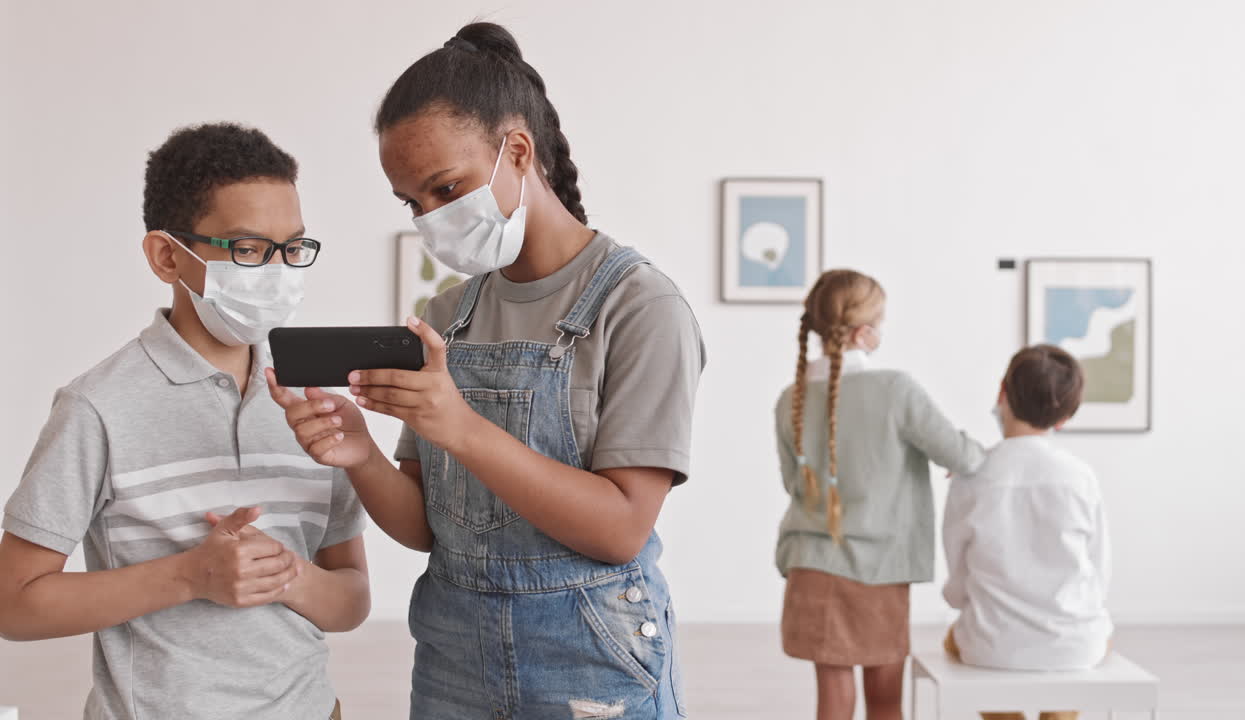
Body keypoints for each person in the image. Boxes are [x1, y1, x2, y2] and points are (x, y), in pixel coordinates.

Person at [268, 22, 704, 720]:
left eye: (446, 188)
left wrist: (461, 427)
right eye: (413, 202)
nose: (430, 219)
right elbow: (427, 528)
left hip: (592, 661)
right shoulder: (446, 315)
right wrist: (360, 454)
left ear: (518, 151)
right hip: (452, 659)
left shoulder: (640, 306)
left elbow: (621, 528)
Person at [0, 123, 369, 720]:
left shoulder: (311, 406)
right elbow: (13, 606)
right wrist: (193, 576)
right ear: (167, 256)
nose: (277, 271)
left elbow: (351, 601)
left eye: (293, 248)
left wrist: (288, 576)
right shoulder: (96, 407)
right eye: (248, 249)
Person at [775, 269, 985, 720]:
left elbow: (794, 484)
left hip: (810, 565)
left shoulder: (790, 398)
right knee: (886, 699)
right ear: (863, 332)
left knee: (832, 697)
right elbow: (962, 455)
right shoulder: (896, 390)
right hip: (877, 570)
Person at [942, 345, 1112, 720]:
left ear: (1001, 392)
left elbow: (958, 579)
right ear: (1065, 417)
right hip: (1071, 644)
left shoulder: (972, 475)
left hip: (994, 643)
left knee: (958, 642)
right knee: (1088, 643)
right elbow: (1098, 572)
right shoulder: (1080, 476)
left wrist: (963, 604)